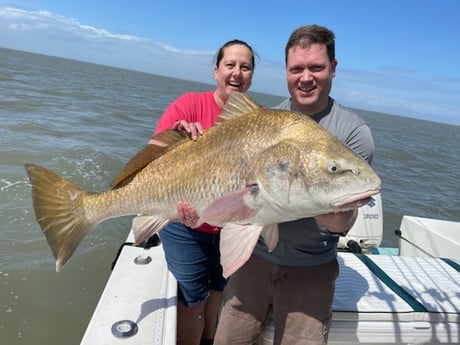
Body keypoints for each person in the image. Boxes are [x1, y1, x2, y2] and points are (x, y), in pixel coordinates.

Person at [211, 25, 375, 345]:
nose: (305, 77)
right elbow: (236, 192)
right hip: (251, 263)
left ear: (333, 68)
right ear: (286, 71)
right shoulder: (265, 119)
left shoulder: (354, 133)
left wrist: (335, 216)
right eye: (296, 68)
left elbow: (344, 221)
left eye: (316, 67)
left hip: (310, 271)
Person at [150, 39, 256, 345]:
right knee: (192, 297)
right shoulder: (189, 104)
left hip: (230, 227)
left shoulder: (259, 117)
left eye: (245, 67)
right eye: (230, 65)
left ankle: (208, 340)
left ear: (252, 76)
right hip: (185, 226)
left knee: (219, 291)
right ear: (216, 71)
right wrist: (176, 138)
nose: (237, 72)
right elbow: (150, 155)